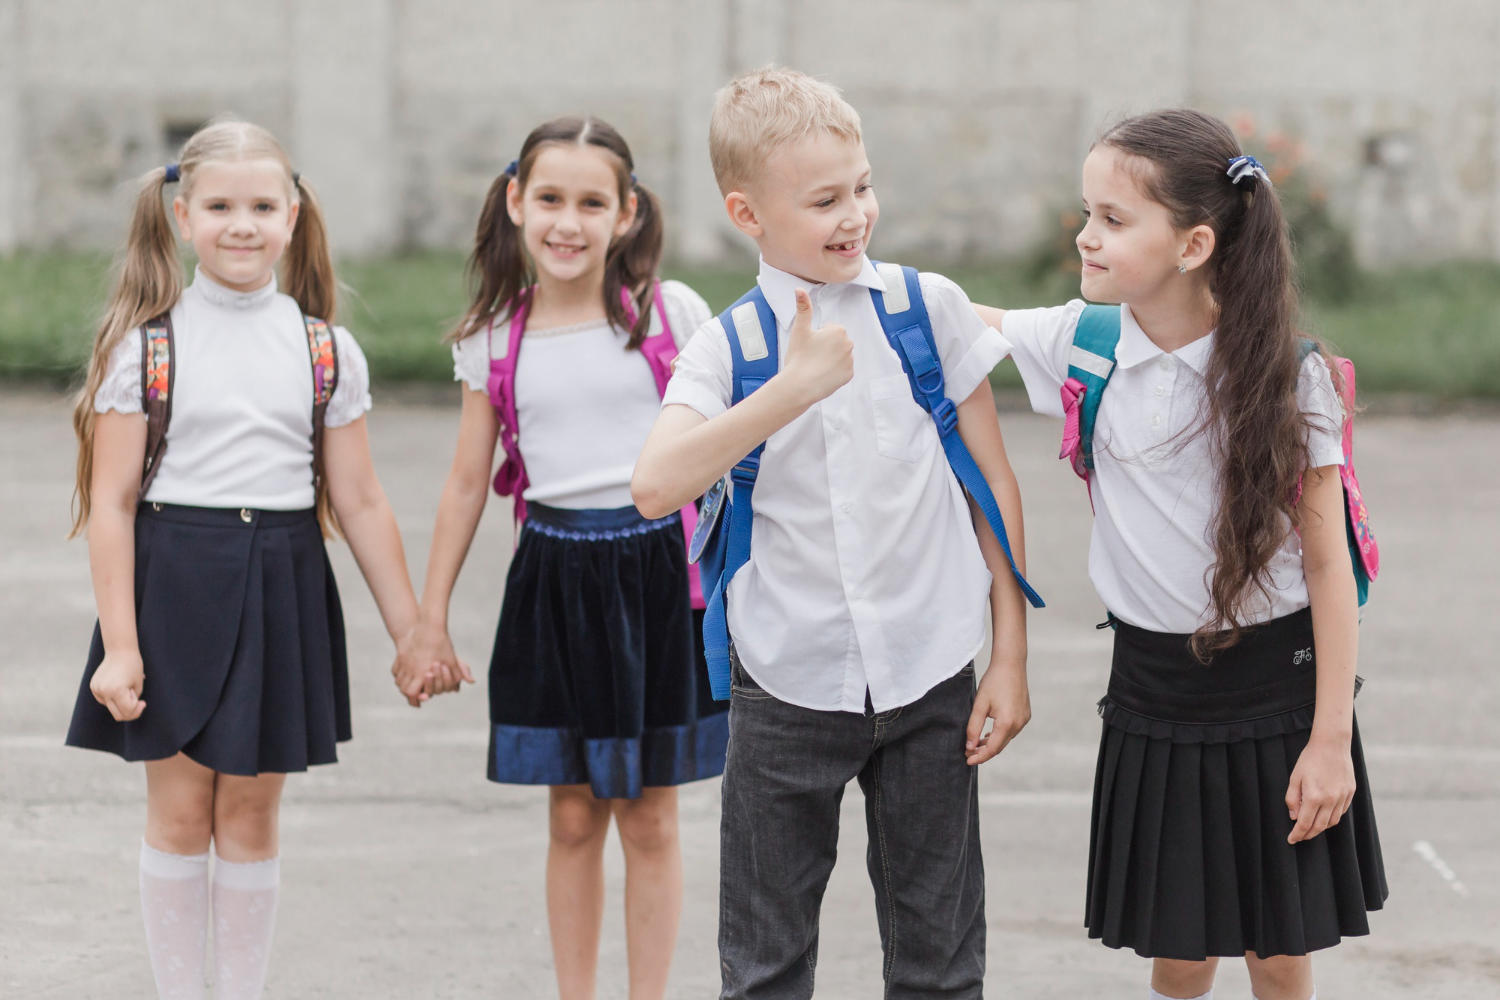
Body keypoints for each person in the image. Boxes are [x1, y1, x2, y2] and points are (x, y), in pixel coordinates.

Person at [632, 67, 1033, 999]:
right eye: (823, 200)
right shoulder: (728, 347)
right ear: (749, 212)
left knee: (940, 964)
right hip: (787, 687)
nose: (854, 214)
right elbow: (656, 486)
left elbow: (994, 488)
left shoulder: (927, 309)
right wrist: (789, 393)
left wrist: (1008, 656)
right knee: (766, 967)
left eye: (860, 187)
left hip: (932, 674)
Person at [973, 108, 1387, 1000]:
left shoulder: (1288, 376)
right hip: (1153, 688)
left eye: (1114, 221)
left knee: (1277, 949)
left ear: (1195, 243)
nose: (1085, 238)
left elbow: (1328, 569)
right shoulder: (1083, 343)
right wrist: (841, 254)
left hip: (1278, 690)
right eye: (1086, 213)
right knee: (1178, 943)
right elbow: (960, 319)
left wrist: (1330, 742)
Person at [64, 119, 452, 1000]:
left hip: (282, 579)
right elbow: (114, 504)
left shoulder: (324, 351)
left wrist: (412, 632)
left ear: (293, 213)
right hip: (173, 585)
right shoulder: (146, 348)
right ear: (182, 215)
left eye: (262, 206)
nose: (243, 224)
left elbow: (358, 501)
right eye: (222, 206)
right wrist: (122, 646)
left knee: (250, 807)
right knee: (178, 808)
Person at [416, 115, 727, 1000]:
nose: (568, 222)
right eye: (550, 198)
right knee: (572, 815)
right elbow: (468, 481)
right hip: (554, 581)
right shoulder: (492, 337)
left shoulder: (673, 316)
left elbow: (727, 453)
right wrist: (427, 619)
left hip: (661, 582)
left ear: (627, 215)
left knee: (654, 817)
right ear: (516, 202)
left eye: (593, 203)